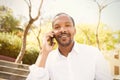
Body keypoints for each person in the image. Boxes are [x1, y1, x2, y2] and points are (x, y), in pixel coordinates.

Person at [26, 13, 113, 80]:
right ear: (52, 33)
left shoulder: (94, 53)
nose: (63, 30)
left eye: (67, 25)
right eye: (57, 27)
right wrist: (43, 53)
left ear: (74, 31)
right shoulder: (47, 59)